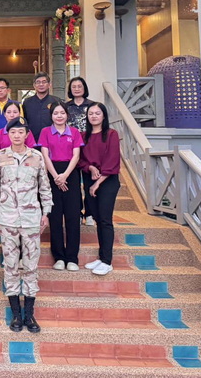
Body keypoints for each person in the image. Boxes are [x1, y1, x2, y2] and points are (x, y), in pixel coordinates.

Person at [0, 116, 52, 333]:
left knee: (31, 265)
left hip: (31, 218)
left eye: (21, 132)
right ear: (8, 134)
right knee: (11, 265)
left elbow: (44, 186)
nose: (17, 135)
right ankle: (16, 314)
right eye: (13, 132)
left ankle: (30, 315)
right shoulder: (0, 157)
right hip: (7, 219)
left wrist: (46, 212)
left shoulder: (36, 156)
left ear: (27, 134)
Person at [39, 102, 84, 271]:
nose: (59, 116)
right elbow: (45, 155)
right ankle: (58, 257)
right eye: (56, 113)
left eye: (62, 113)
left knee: (72, 217)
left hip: (70, 174)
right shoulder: (45, 131)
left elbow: (76, 155)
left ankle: (72, 258)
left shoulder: (74, 132)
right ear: (51, 116)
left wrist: (64, 176)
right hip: (52, 174)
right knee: (55, 217)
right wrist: (55, 176)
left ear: (67, 115)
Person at [78, 103, 121, 277]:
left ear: (104, 116)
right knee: (97, 218)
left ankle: (107, 261)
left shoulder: (111, 134)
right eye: (91, 113)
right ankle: (101, 257)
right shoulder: (84, 136)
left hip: (108, 181)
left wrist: (98, 183)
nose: (94, 116)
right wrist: (89, 167)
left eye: (97, 113)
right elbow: (80, 159)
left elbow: (112, 160)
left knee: (105, 219)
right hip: (90, 179)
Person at [66, 76, 96, 226]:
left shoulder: (92, 106)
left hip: (89, 146)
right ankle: (77, 212)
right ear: (70, 89)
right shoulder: (66, 106)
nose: (77, 89)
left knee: (89, 181)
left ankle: (89, 213)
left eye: (79, 86)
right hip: (70, 147)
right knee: (74, 182)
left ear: (84, 88)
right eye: (74, 86)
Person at [22, 71, 62, 143]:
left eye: (44, 82)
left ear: (49, 85)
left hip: (52, 140)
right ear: (34, 85)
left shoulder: (56, 101)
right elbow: (24, 122)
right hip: (32, 141)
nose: (41, 84)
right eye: (38, 82)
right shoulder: (27, 102)